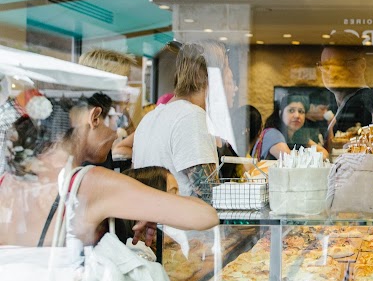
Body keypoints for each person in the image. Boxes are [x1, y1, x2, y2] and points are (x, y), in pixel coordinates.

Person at [0, 93, 218, 248]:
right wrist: (153, 208)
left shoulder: (8, 181)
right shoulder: (91, 184)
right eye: (114, 123)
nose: (115, 135)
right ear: (94, 117)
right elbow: (205, 216)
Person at [132, 41, 233, 200]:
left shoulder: (150, 118)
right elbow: (209, 196)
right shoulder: (192, 117)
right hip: (181, 216)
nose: (231, 80)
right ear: (206, 77)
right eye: (226, 70)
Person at [318, 32, 373, 145]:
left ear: (361, 65)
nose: (331, 72)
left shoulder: (363, 104)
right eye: (325, 65)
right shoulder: (334, 106)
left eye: (339, 64)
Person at [252, 94, 329, 161]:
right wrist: (316, 157)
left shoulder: (298, 135)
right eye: (291, 111)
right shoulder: (272, 134)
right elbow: (291, 160)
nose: (297, 116)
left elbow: (324, 152)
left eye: (301, 111)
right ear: (280, 113)